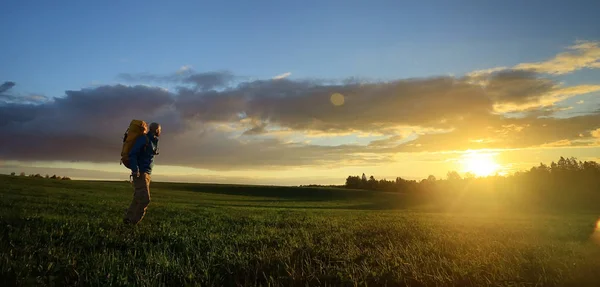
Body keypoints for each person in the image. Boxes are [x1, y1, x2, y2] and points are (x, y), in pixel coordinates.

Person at [123, 122, 161, 225]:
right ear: (157, 130)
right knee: (145, 199)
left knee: (138, 198)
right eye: (159, 129)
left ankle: (128, 219)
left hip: (147, 174)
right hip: (141, 173)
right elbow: (132, 154)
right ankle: (133, 222)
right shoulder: (143, 139)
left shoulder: (153, 141)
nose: (160, 132)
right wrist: (136, 170)